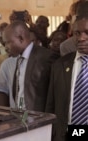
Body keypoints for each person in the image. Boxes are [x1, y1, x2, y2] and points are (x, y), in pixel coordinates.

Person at [45, 2, 88, 141]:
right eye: (77, 33)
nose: (81, 38)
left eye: (87, 33)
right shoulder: (60, 66)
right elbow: (51, 107)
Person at [0, 21, 58, 111]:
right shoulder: (19, 58)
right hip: (22, 118)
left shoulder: (46, 58)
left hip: (40, 119)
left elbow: (55, 95)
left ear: (21, 38)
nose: (5, 47)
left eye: (8, 42)